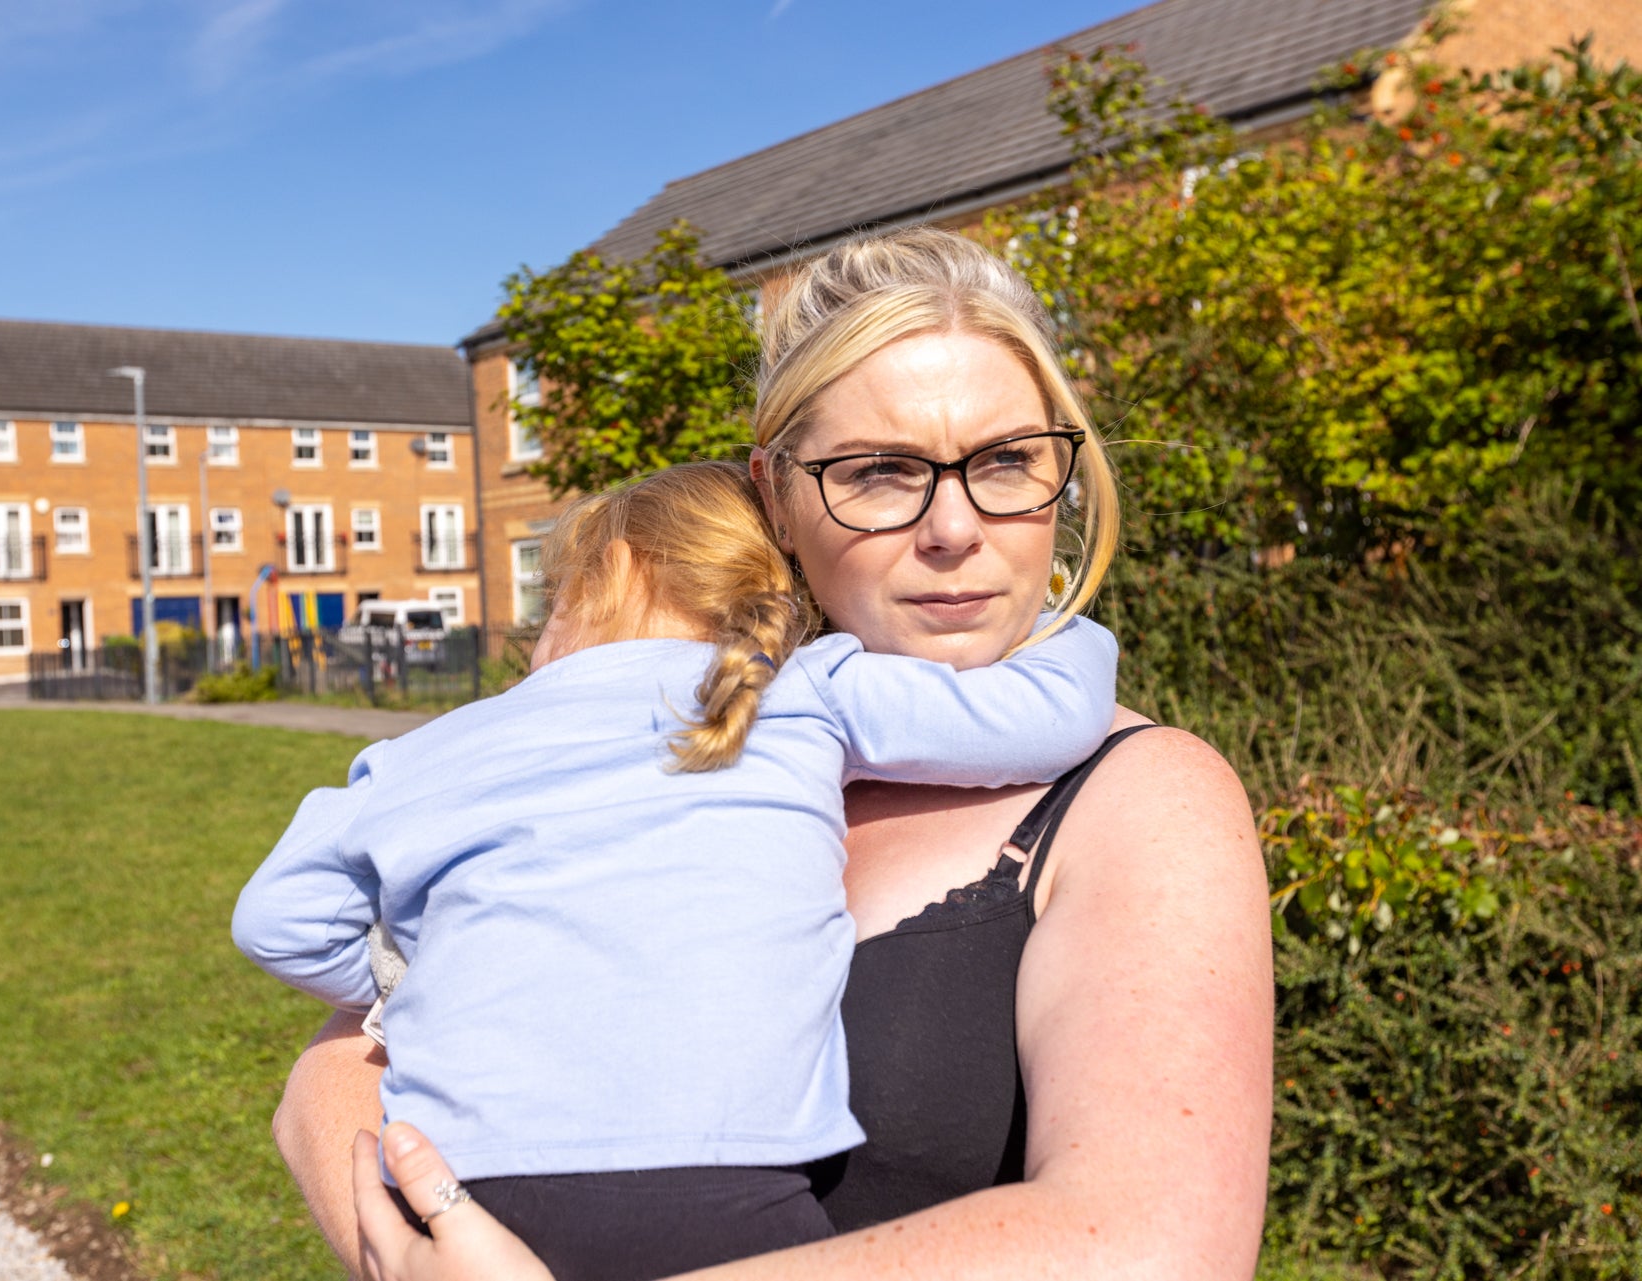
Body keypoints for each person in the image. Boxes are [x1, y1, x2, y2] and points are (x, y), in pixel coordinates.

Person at [273, 226, 1274, 1280]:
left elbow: (1155, 1247)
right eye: (882, 473)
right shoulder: (677, 731)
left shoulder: (1142, 796)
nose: (954, 526)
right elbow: (336, 1072)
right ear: (779, 494)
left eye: (1007, 462)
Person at [233, 458, 1120, 1281]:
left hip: (467, 1185)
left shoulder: (425, 749)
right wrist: (1048, 609)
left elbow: (276, 920)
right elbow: (1053, 713)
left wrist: (427, 975)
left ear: (604, 575)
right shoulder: (803, 691)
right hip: (729, 1186)